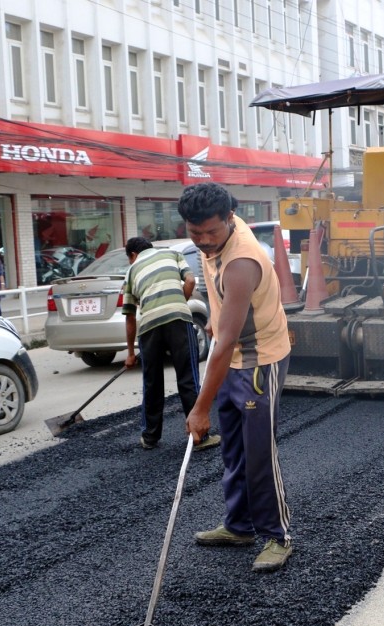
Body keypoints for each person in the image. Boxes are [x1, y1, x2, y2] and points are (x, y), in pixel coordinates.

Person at [180, 182, 294, 573]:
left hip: (259, 360)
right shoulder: (213, 232)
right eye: (195, 234)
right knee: (233, 448)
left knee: (259, 453)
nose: (205, 241)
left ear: (229, 219)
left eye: (212, 232)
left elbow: (226, 340)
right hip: (231, 357)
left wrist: (200, 407)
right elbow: (222, 326)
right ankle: (239, 525)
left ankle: (277, 536)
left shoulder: (241, 262)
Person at [123, 236, 219, 451]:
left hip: (148, 327)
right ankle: (200, 437)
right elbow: (191, 282)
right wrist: (177, 304)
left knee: (152, 382)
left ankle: (150, 437)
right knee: (188, 377)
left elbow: (130, 317)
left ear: (133, 255)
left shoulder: (131, 271)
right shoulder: (172, 254)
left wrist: (130, 354)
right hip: (179, 321)